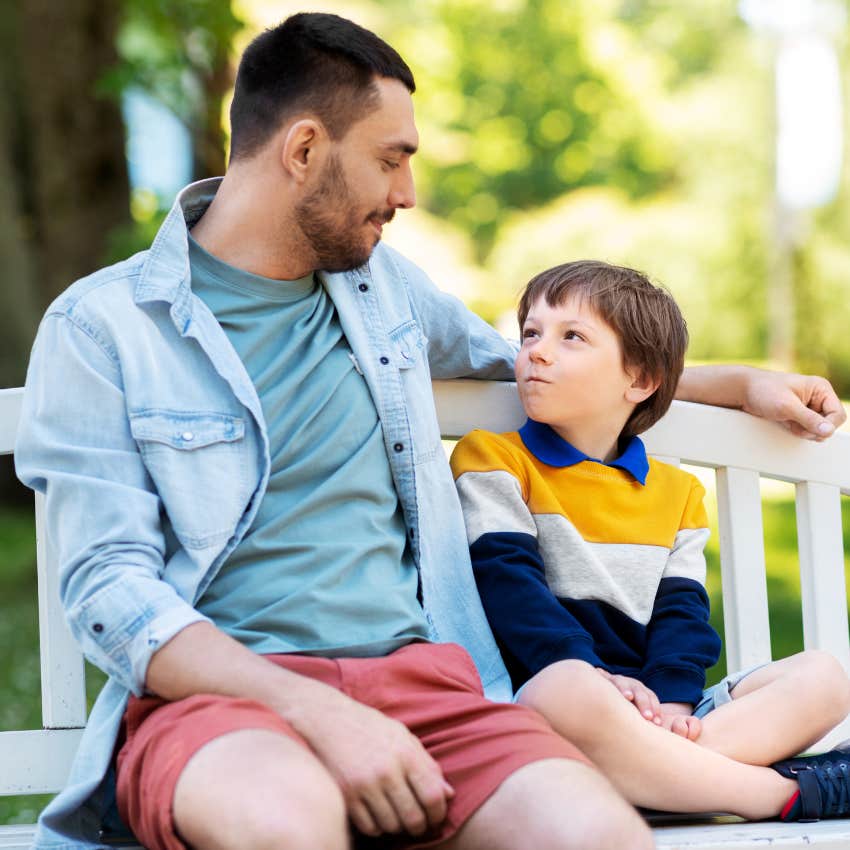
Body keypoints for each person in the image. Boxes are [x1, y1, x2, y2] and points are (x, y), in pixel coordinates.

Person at [14, 12, 846, 850]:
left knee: (596, 835)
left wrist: (737, 384)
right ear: (302, 151)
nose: (406, 194)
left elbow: (517, 366)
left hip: (428, 689)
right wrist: (321, 714)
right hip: (223, 706)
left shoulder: (382, 290)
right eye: (390, 159)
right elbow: (110, 593)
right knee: (283, 826)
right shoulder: (103, 327)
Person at [450, 259, 850, 824]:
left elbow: (682, 618)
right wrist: (598, 679)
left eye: (572, 338)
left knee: (824, 679)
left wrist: (672, 703)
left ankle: (650, 778)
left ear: (638, 381)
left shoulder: (678, 492)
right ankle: (774, 792)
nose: (537, 351)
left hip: (658, 712)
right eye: (531, 334)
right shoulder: (493, 459)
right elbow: (510, 589)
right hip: (554, 702)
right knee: (564, 688)